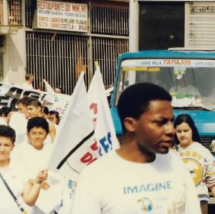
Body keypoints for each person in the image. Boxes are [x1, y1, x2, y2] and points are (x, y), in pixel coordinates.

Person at [71, 83, 200, 214]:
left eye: (170, 121)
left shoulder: (176, 164)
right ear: (130, 124)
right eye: (160, 122)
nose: (171, 130)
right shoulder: (94, 177)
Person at [174, 113, 215, 214]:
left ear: (192, 131)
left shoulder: (204, 153)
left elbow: (213, 183)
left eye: (186, 131)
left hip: (199, 204)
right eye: (179, 131)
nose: (182, 134)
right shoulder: (171, 153)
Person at [0, 125, 48, 213]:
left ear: (13, 147)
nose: (2, 149)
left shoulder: (20, 168)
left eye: (6, 145)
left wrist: (38, 182)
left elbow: (29, 201)